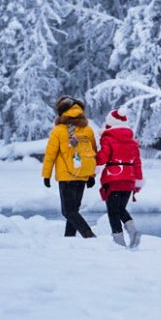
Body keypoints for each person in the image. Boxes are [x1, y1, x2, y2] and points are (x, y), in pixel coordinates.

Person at [42, 96, 98, 238]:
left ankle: (89, 235)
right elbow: (93, 153)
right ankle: (69, 239)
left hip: (67, 176)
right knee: (74, 210)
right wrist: (91, 176)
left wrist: (46, 175)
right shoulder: (88, 130)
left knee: (68, 211)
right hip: (83, 175)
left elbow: (50, 155)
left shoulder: (59, 130)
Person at [96, 108, 144, 248]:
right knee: (120, 208)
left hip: (113, 178)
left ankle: (119, 243)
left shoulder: (108, 138)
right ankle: (133, 232)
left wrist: (92, 157)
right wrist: (138, 181)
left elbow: (102, 158)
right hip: (129, 179)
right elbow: (137, 162)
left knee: (113, 211)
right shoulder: (132, 141)